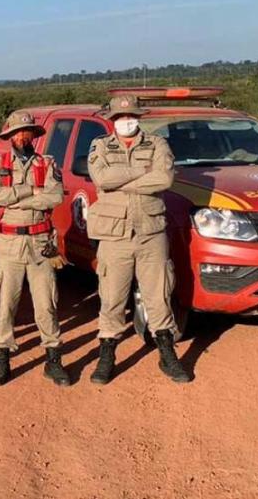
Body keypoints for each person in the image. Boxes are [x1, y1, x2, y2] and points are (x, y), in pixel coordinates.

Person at [86, 95, 191, 384]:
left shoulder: (157, 144)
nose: (126, 121)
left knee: (158, 296)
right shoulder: (100, 146)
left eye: (130, 116)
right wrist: (144, 172)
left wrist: (123, 179)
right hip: (114, 234)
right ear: (112, 121)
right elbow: (102, 179)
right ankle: (107, 356)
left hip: (151, 233)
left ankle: (167, 355)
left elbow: (165, 179)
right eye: (120, 117)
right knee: (112, 299)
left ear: (139, 117)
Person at [0, 111, 70, 386]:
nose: (21, 137)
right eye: (16, 133)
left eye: (26, 131)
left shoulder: (47, 163)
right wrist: (31, 193)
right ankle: (2, 360)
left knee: (47, 304)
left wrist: (16, 201)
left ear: (34, 134)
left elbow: (55, 196)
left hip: (41, 242)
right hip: (9, 244)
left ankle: (53, 360)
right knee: (5, 303)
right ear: (9, 137)